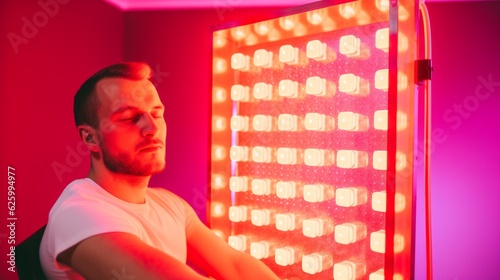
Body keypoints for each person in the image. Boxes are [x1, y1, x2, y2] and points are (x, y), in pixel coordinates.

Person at [39, 62, 280, 279]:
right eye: (130, 117)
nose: (152, 127)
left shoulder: (170, 204)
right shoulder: (78, 213)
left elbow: (234, 264)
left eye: (156, 114)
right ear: (91, 137)